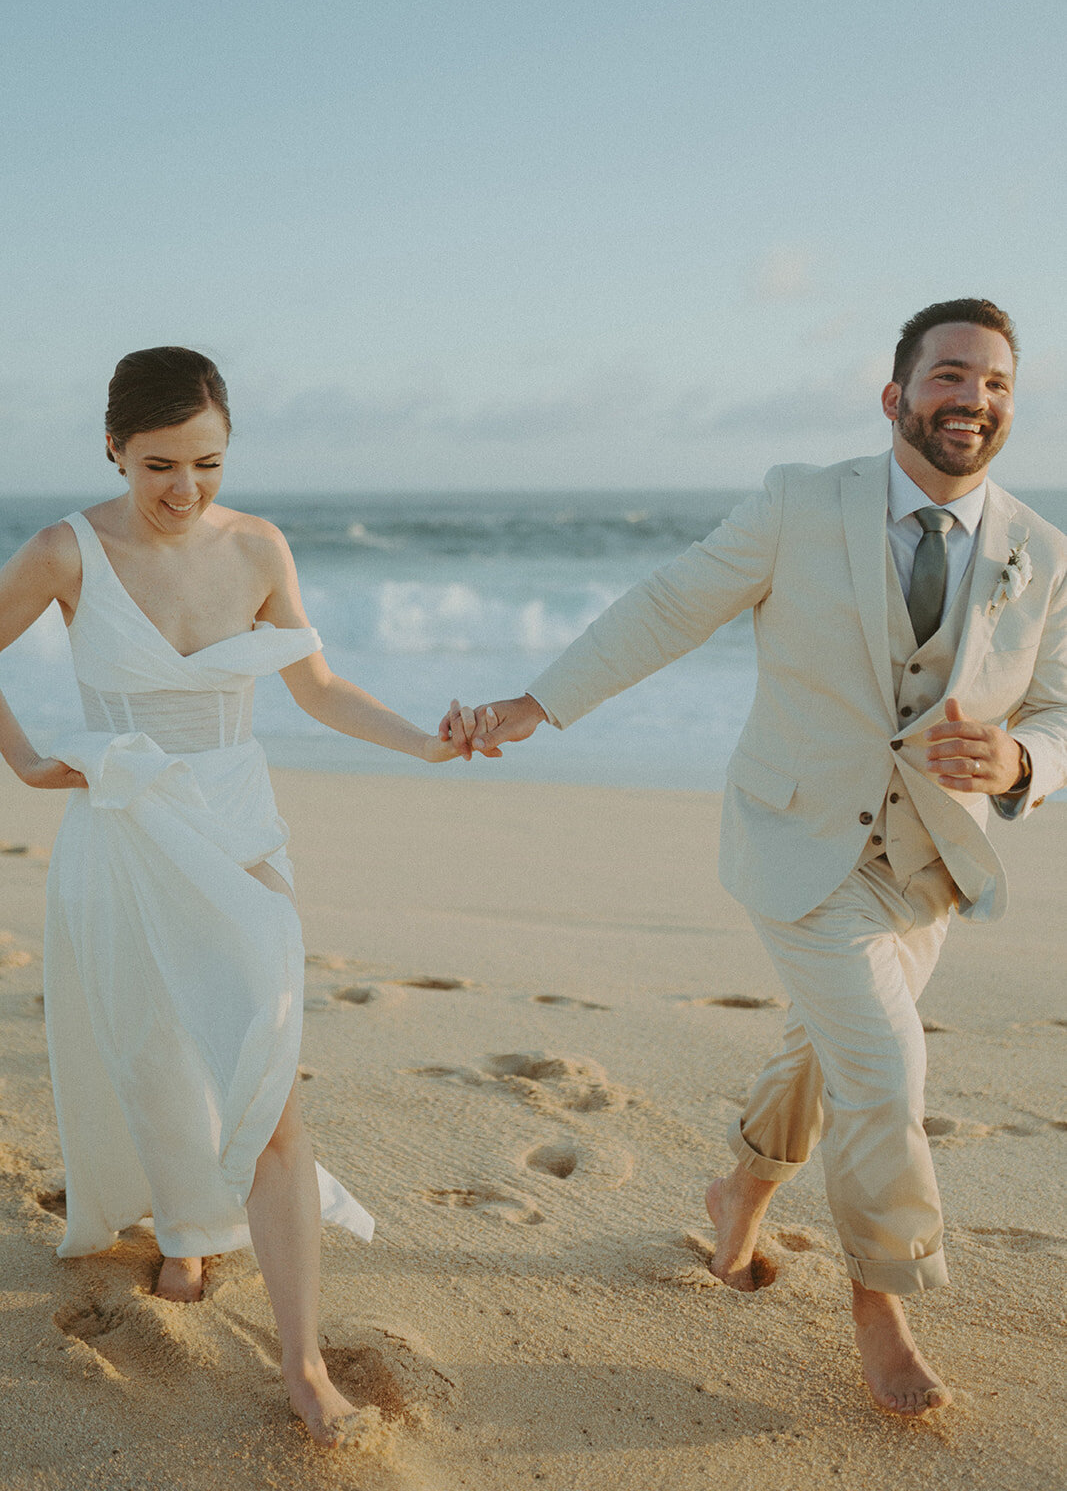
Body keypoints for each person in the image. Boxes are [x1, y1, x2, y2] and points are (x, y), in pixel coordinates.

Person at [442, 298, 1067, 1416]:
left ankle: (737, 1188)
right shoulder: (797, 504)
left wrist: (1019, 758)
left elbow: (1060, 711)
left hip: (925, 864)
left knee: (823, 1046)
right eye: (949, 376)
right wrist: (540, 701)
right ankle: (881, 1305)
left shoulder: (1041, 550)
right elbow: (670, 606)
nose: (972, 398)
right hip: (797, 840)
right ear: (894, 396)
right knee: (884, 1064)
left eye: (995, 383)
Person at [0, 346, 480, 1449]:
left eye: (206, 462)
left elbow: (313, 686)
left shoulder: (258, 544)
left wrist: (421, 743)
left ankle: (305, 1360)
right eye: (158, 464)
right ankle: (184, 1227)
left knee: (266, 1082)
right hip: (122, 829)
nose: (183, 489)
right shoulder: (64, 550)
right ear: (114, 449)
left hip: (236, 826)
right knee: (156, 1050)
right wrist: (24, 758)